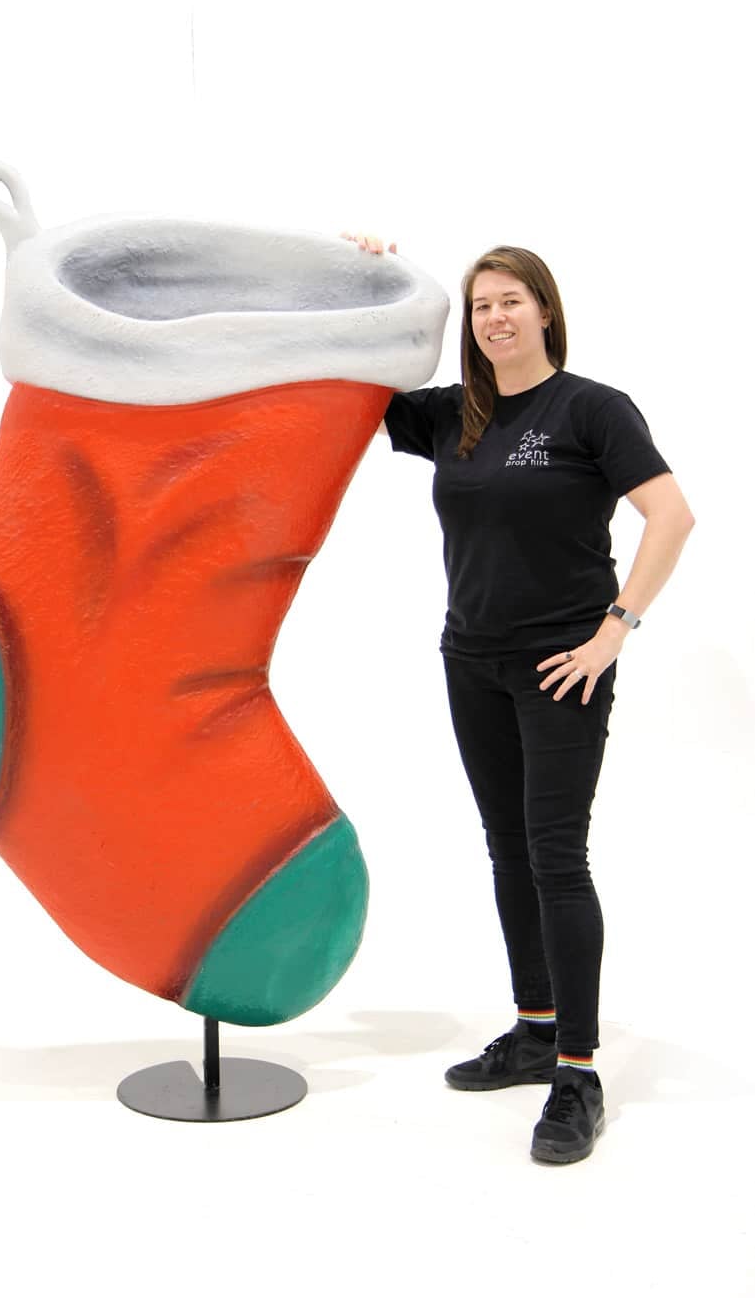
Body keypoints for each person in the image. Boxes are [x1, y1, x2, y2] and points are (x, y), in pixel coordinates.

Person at [342, 234, 695, 1165]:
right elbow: (345, 382)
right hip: (470, 659)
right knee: (507, 847)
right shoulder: (450, 414)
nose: (494, 317)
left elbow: (670, 514)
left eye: (509, 300)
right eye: (480, 304)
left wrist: (613, 630)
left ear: (543, 310)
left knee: (555, 857)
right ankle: (534, 1028)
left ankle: (577, 1072)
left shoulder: (590, 409)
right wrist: (366, 274)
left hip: (559, 666)